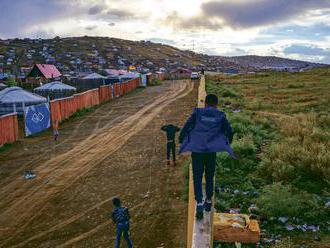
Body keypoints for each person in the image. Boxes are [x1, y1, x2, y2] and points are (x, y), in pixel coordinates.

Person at [179, 94, 235, 219]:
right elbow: (229, 131)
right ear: (216, 104)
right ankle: (208, 202)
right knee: (210, 176)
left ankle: (199, 203)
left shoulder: (198, 113)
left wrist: (181, 139)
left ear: (205, 104)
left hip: (197, 152)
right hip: (211, 152)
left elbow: (187, 126)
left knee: (197, 178)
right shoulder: (220, 115)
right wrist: (226, 141)